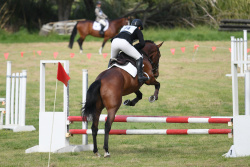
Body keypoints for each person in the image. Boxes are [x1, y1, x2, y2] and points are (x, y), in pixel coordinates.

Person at [110, 19, 148, 83]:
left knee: (112, 59)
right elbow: (142, 43)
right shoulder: (137, 29)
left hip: (114, 42)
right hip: (124, 43)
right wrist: (133, 47)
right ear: (139, 27)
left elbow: (112, 40)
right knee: (139, 57)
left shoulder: (124, 28)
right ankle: (140, 76)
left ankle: (108, 72)